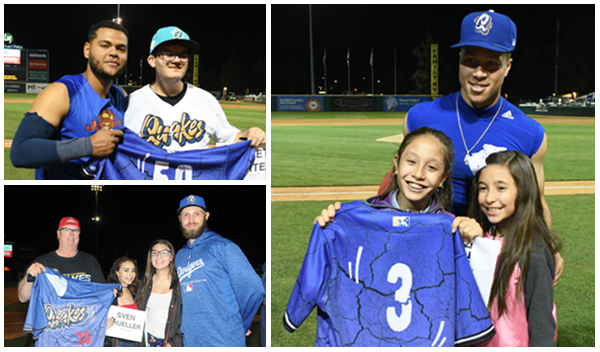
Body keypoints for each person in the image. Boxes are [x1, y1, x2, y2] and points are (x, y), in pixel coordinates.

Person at [323, 10, 563, 284]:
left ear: (508, 66)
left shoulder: (529, 132)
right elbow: (396, 184)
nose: (479, 73)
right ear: (459, 59)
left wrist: (547, 246)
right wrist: (348, 218)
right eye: (470, 61)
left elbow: (536, 202)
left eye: (492, 64)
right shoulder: (420, 118)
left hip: (490, 257)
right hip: (426, 250)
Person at [284, 127, 494, 346]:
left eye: (431, 167)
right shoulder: (348, 221)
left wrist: (477, 242)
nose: (419, 173)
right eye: (411, 161)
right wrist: (329, 227)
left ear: (443, 178)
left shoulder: (453, 230)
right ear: (396, 163)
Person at [10, 20, 128, 180]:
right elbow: (20, 151)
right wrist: (88, 146)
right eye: (105, 45)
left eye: (121, 49)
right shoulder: (62, 92)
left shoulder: (121, 96)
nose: (114, 53)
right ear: (87, 50)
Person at [467, 151, 561, 346]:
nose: (490, 197)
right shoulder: (479, 241)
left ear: (523, 191)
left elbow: (542, 322)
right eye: (483, 188)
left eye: (501, 188)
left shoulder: (533, 251)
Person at [124, 26, 266, 151]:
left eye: (183, 55)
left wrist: (249, 133)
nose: (177, 60)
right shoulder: (131, 103)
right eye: (168, 54)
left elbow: (229, 138)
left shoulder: (206, 100)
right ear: (152, 60)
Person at [174, 195, 265, 346]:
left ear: (206, 216)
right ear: (179, 218)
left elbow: (253, 289)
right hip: (191, 341)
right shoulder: (179, 256)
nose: (191, 220)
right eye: (186, 215)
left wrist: (241, 325)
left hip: (224, 340)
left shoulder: (223, 247)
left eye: (196, 213)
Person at [17, 216, 105, 303]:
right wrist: (29, 277)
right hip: (53, 316)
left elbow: (102, 293)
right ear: (58, 234)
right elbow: (23, 298)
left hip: (84, 315)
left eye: (76, 231)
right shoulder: (42, 263)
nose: (71, 234)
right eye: (66, 230)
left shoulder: (90, 261)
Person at [136, 240, 183, 347]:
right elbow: (138, 309)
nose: (159, 256)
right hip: (147, 341)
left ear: (171, 257)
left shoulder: (180, 284)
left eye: (164, 252)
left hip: (170, 343)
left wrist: (174, 343)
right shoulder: (145, 282)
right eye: (155, 252)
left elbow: (186, 317)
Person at [105, 257, 139, 347]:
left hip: (134, 343)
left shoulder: (136, 292)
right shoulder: (109, 293)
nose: (130, 274)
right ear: (117, 273)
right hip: (115, 343)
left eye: (133, 270)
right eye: (126, 270)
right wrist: (103, 324)